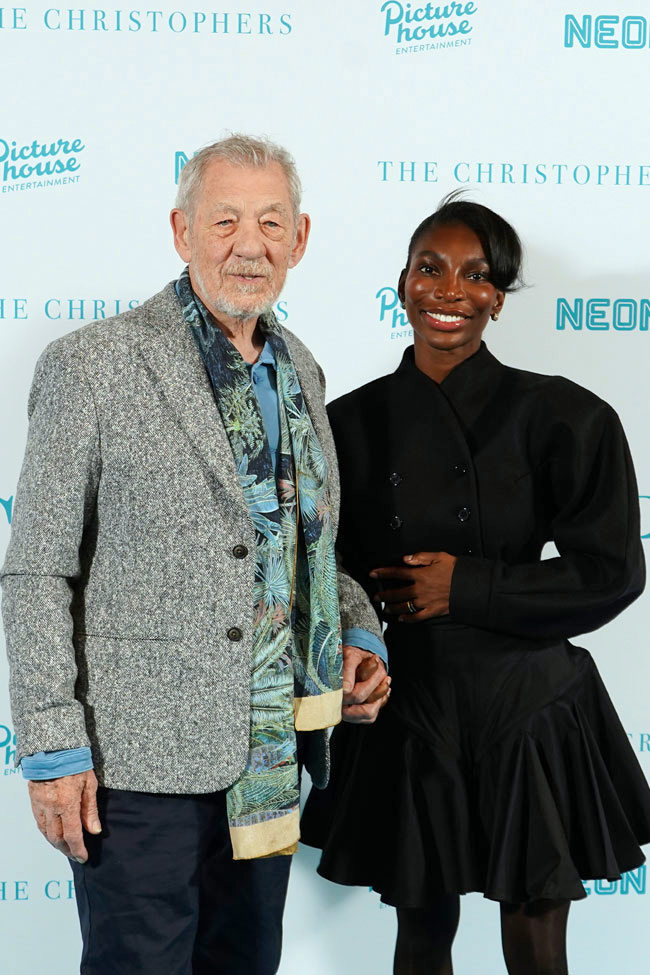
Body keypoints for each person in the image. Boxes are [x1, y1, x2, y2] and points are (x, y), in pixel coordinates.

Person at [1, 134, 389, 975]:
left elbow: (303, 551)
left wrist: (358, 634)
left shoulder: (302, 371)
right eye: (224, 220)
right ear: (181, 231)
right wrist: (53, 746)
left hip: (269, 764)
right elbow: (35, 568)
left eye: (269, 222)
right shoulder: (93, 364)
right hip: (134, 765)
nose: (248, 244)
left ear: (301, 239)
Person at [301, 194, 650, 975]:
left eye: (475, 275)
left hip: (531, 707)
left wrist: (472, 589)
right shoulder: (346, 425)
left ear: (497, 296)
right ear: (403, 282)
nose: (449, 290)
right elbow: (321, 575)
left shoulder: (565, 415)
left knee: (537, 943)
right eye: (431, 268)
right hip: (411, 705)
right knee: (420, 938)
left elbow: (615, 570)